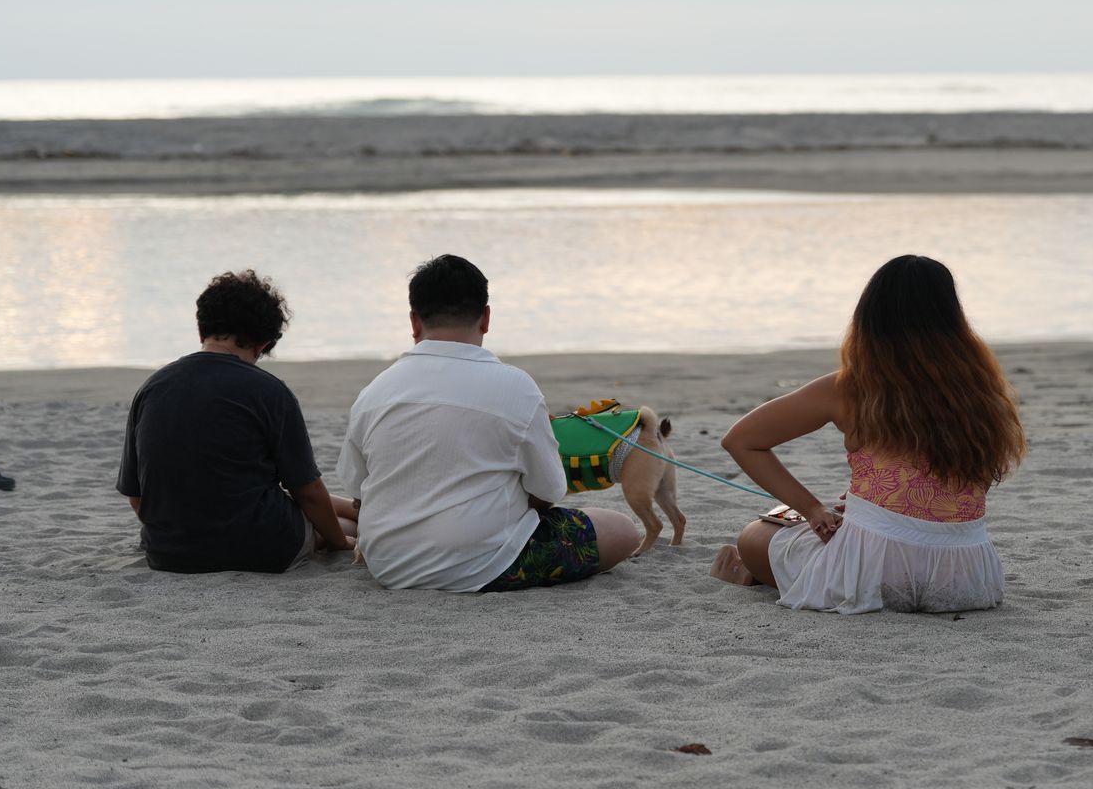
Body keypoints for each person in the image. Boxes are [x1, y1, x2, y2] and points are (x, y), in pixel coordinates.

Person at [711, 255, 1025, 614]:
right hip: (965, 581)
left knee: (755, 535)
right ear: (953, 316)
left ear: (870, 317)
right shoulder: (981, 390)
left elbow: (740, 440)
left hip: (873, 577)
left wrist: (812, 509)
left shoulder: (853, 388)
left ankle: (754, 572)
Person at [337, 254, 641, 593]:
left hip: (388, 565)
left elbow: (357, 490)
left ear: (414, 321)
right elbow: (550, 490)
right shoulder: (516, 387)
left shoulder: (374, 391)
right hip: (483, 563)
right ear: (486, 317)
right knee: (621, 529)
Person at [117, 270, 357, 574]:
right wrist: (339, 543)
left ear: (201, 330)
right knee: (341, 526)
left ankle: (355, 507)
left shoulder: (151, 388)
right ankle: (358, 513)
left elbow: (137, 496)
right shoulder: (269, 391)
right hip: (262, 548)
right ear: (261, 344)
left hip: (170, 552)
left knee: (264, 493)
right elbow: (306, 491)